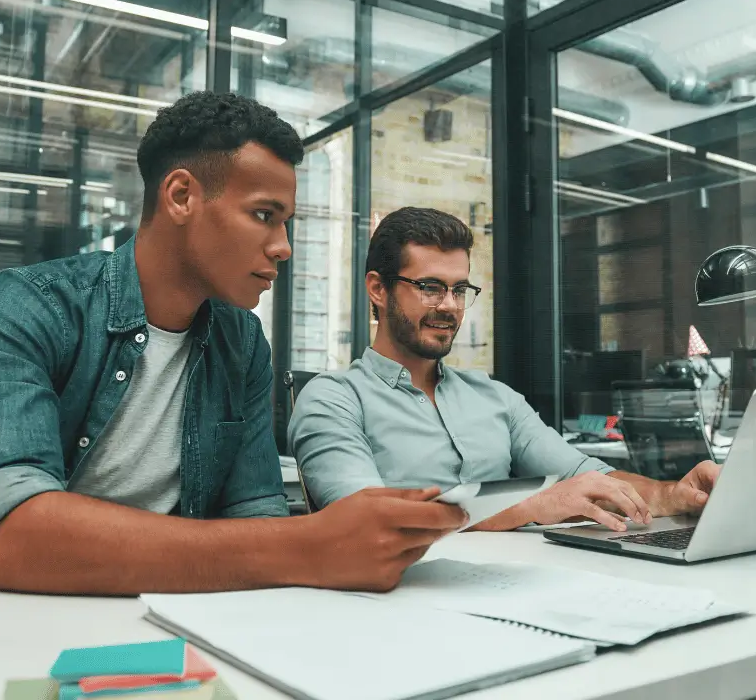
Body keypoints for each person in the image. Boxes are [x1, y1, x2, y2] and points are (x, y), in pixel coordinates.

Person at [0, 94, 465, 595]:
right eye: (264, 215)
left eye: (287, 223)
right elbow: (7, 536)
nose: (283, 247)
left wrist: (303, 549)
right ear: (181, 196)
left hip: (177, 613)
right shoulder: (29, 305)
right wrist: (305, 547)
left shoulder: (242, 342)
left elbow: (255, 514)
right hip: (9, 617)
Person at [289, 206, 721, 531]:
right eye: (430, 288)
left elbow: (587, 477)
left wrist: (673, 495)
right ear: (378, 289)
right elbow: (366, 518)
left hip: (513, 590)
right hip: (402, 607)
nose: (449, 306)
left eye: (460, 289)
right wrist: (530, 508)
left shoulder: (493, 396)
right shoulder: (333, 399)